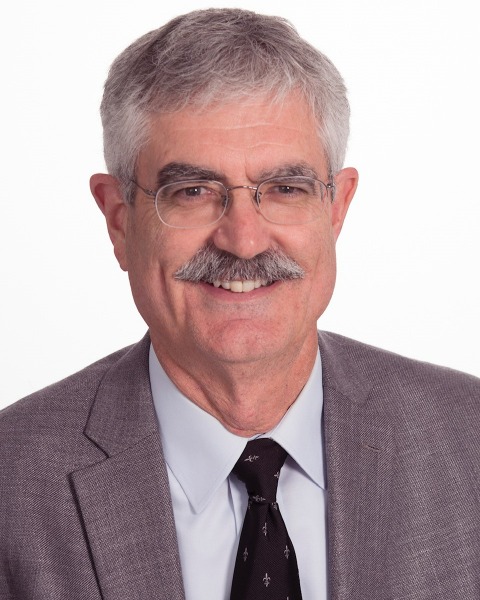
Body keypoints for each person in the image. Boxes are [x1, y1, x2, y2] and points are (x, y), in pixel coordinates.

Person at [1, 8, 479, 600]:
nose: (244, 241)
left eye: (285, 189)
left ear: (337, 210)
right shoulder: (12, 483)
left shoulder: (469, 439)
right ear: (119, 220)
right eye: (193, 192)